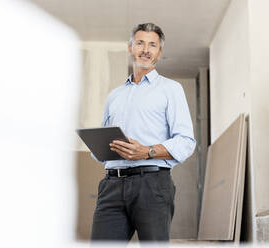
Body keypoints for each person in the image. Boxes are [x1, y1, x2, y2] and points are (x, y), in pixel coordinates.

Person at [91, 23, 196, 242]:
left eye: (152, 45)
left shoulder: (171, 89)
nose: (145, 50)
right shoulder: (115, 96)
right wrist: (100, 147)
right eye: (140, 43)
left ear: (159, 52)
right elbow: (100, 149)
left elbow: (186, 142)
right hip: (111, 185)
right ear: (130, 48)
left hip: (152, 184)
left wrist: (146, 151)